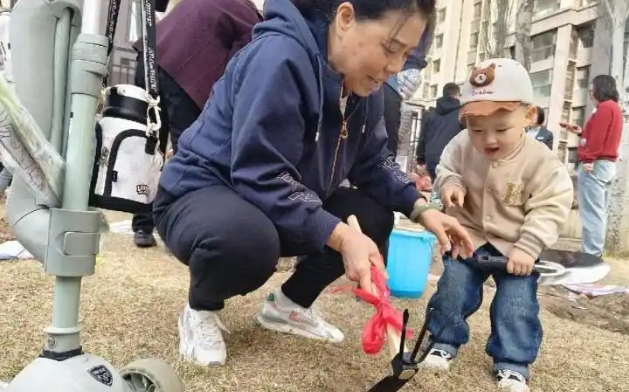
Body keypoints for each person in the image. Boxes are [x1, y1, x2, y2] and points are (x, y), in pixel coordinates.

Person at [153, 0, 475, 367]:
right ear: (346, 18)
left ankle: (289, 306)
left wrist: (421, 209)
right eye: (390, 47)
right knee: (246, 239)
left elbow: (373, 161)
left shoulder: (362, 87)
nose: (396, 67)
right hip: (205, 194)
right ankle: (200, 309)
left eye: (406, 55)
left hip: (275, 203)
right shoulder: (279, 57)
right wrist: (341, 236)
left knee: (372, 216)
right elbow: (261, 174)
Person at [421, 59, 574, 392]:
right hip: (468, 237)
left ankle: (513, 362)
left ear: (528, 116)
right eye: (477, 129)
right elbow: (447, 167)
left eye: (501, 129)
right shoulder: (461, 144)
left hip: (517, 248)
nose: (487, 139)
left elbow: (551, 203)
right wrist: (450, 184)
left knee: (517, 304)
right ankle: (442, 341)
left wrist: (529, 246)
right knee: (452, 289)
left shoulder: (541, 161)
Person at [130, 0, 263, 248]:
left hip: (148, 58)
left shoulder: (229, 6)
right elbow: (241, 73)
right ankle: (177, 229)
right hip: (183, 73)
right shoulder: (253, 22)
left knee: (148, 144)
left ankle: (142, 226)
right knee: (188, 154)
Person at [562, 74, 623, 257]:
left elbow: (597, 138)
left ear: (600, 89)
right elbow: (603, 136)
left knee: (591, 214)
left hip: (596, 164)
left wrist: (588, 158)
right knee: (598, 212)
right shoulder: (615, 108)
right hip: (607, 165)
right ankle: (593, 252)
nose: (590, 94)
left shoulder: (604, 108)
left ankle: (591, 254)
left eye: (592, 90)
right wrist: (581, 132)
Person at [415, 82, 463, 180]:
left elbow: (423, 137)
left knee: (436, 185)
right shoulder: (462, 114)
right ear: (457, 95)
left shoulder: (430, 114)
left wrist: (420, 159)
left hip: (432, 160)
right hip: (452, 161)